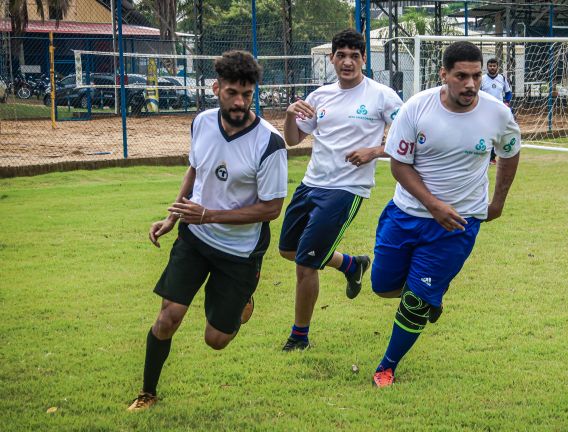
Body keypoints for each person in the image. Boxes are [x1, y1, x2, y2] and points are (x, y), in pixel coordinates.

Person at [128, 50, 288, 410]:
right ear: (216, 88)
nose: (239, 102)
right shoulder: (200, 122)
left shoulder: (269, 143)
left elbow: (271, 209)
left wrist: (209, 214)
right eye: (232, 92)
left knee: (215, 340)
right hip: (195, 238)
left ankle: (241, 304)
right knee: (168, 317)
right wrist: (173, 216)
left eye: (247, 94)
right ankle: (148, 392)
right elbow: (196, 169)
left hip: (239, 251)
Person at [370, 41, 521, 387]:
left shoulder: (497, 113)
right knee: (382, 286)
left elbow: (510, 153)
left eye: (476, 76)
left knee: (415, 301)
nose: (470, 84)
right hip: (405, 215)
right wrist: (433, 205)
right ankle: (428, 296)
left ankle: (387, 365)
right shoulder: (416, 108)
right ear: (444, 75)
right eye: (461, 76)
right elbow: (399, 165)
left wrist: (497, 203)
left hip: (458, 223)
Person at [279, 29, 403, 351]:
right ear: (332, 58)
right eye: (341, 55)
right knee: (288, 250)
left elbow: (410, 137)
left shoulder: (381, 96)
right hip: (310, 184)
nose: (347, 62)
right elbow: (293, 139)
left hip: (347, 189)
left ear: (364, 59)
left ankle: (299, 337)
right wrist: (289, 116)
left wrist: (374, 151)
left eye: (354, 56)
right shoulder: (319, 96)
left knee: (306, 264)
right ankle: (351, 264)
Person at [481, 58, 513, 164]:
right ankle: (487, 157)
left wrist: (506, 103)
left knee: (499, 133)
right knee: (486, 133)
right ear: (487, 67)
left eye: (494, 66)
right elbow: (477, 93)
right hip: (485, 110)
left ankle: (494, 157)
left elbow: (508, 93)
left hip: (499, 111)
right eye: (490, 66)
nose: (492, 67)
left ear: (497, 67)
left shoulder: (502, 79)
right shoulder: (482, 79)